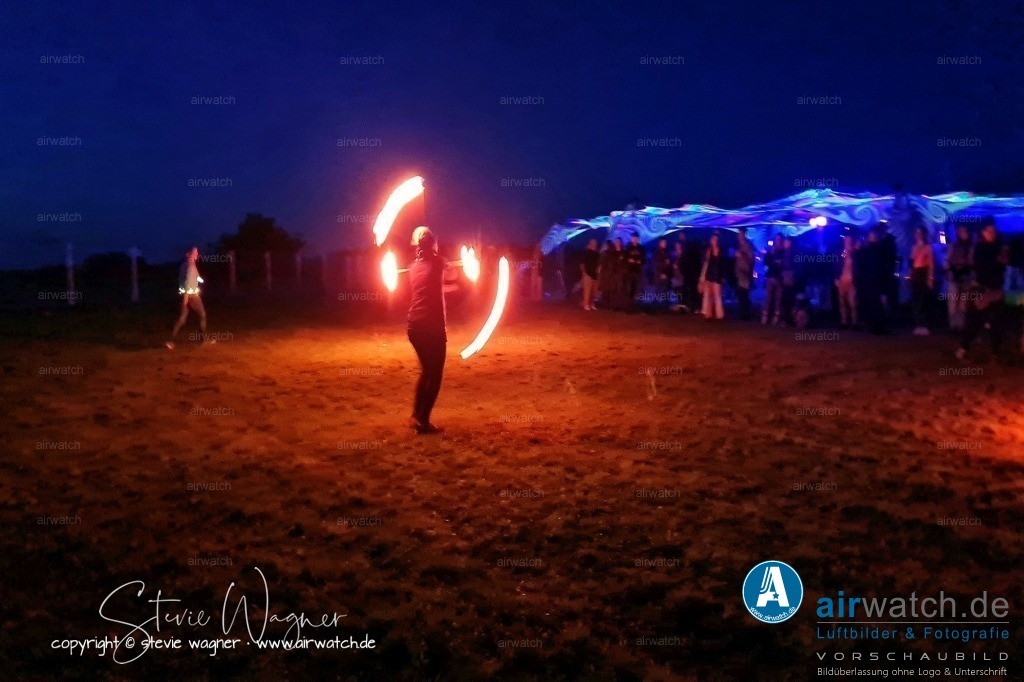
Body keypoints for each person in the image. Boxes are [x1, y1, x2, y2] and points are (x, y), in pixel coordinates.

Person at [406, 226, 454, 434]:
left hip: (414, 326)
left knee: (426, 371)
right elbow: (443, 264)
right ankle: (423, 422)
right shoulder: (438, 262)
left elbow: (431, 286)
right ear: (433, 243)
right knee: (435, 375)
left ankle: (417, 414)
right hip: (431, 327)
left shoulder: (412, 267)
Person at [957, 220, 1009, 361]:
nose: (992, 233)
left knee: (998, 323)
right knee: (974, 322)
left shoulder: (999, 246)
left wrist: (1002, 260)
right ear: (984, 232)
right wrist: (996, 262)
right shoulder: (980, 248)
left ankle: (996, 352)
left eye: (993, 230)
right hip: (982, 290)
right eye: (989, 230)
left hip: (996, 290)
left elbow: (1003, 266)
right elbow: (981, 269)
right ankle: (963, 349)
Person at [166, 246, 209, 349]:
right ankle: (203, 339)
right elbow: (187, 283)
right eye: (195, 253)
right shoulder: (190, 266)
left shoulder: (185, 265)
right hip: (192, 296)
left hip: (185, 295)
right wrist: (186, 298)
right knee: (202, 315)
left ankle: (170, 341)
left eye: (197, 253)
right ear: (189, 254)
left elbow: (194, 277)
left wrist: (201, 280)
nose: (197, 255)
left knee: (182, 318)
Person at [945, 224, 973, 330]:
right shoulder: (954, 246)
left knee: (963, 303)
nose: (963, 234)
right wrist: (949, 270)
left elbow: (971, 262)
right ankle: (953, 325)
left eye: (964, 231)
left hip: (966, 277)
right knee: (953, 302)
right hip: (954, 276)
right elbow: (948, 260)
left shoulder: (970, 247)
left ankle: (960, 325)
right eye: (961, 231)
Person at [910, 227, 935, 335]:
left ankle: (925, 324)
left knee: (923, 300)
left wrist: (930, 278)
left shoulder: (927, 247)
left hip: (923, 273)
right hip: (915, 273)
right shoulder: (914, 247)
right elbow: (912, 261)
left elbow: (931, 263)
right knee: (916, 300)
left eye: (920, 233)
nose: (918, 235)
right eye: (916, 233)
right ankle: (918, 324)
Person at [699, 232, 725, 320]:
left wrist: (722, 276)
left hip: (717, 277)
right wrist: (702, 277)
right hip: (709, 276)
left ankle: (719, 315)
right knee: (707, 295)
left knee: (717, 296)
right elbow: (706, 264)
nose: (714, 241)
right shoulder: (708, 251)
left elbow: (723, 265)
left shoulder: (721, 251)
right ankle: (707, 313)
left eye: (716, 240)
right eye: (713, 239)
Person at [834, 234, 858, 328]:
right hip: (842, 280)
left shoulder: (855, 252)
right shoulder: (841, 252)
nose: (847, 241)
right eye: (845, 240)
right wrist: (836, 278)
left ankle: (854, 322)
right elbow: (836, 265)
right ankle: (844, 321)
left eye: (849, 240)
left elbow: (858, 267)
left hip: (851, 280)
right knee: (842, 302)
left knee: (852, 302)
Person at [761, 237, 784, 325]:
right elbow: (766, 264)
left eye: (779, 240)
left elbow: (782, 265)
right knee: (768, 298)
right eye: (777, 240)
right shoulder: (770, 252)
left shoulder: (782, 252)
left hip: (778, 278)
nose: (778, 242)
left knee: (778, 299)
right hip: (771, 277)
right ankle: (766, 317)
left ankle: (775, 318)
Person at [734, 227, 755, 320]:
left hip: (745, 273)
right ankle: (743, 313)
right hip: (739, 273)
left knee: (744, 294)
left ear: (744, 235)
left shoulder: (748, 245)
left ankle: (746, 314)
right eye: (739, 234)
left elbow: (751, 260)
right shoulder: (738, 245)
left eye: (741, 234)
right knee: (740, 294)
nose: (739, 236)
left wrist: (741, 255)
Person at [623, 233, 645, 311]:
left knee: (636, 288)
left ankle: (636, 304)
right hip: (630, 271)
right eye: (634, 238)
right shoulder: (628, 247)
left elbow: (644, 259)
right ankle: (628, 305)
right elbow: (624, 258)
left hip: (637, 271)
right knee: (629, 288)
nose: (635, 240)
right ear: (632, 239)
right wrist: (629, 260)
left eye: (636, 238)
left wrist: (640, 261)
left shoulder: (641, 248)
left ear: (638, 239)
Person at [580, 238, 600, 311]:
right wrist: (584, 272)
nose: (594, 244)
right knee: (587, 290)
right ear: (590, 244)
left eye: (595, 243)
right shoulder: (586, 252)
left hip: (594, 274)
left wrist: (598, 269)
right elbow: (582, 263)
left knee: (594, 291)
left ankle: (591, 304)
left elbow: (598, 263)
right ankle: (586, 304)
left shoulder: (597, 253)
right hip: (587, 273)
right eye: (592, 243)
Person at [597, 239, 616, 308]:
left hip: (606, 273)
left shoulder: (606, 253)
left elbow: (601, 263)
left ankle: (605, 303)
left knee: (605, 288)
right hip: (609, 273)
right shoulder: (612, 253)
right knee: (607, 289)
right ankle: (607, 303)